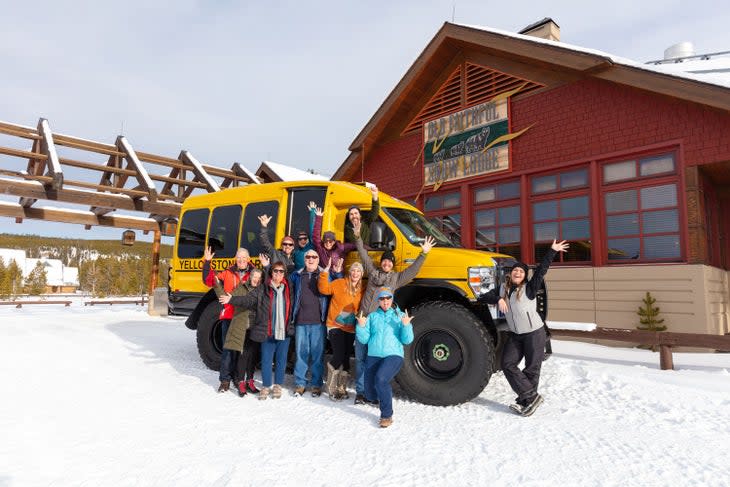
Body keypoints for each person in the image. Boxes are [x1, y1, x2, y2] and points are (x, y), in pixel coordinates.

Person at [478, 239, 569, 417]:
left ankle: (526, 402)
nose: (518, 272)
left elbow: (542, 270)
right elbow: (483, 297)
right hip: (515, 334)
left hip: (534, 333)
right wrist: (498, 299)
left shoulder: (530, 288)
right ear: (511, 274)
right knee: (507, 364)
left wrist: (552, 251)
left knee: (531, 368)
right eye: (515, 270)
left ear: (524, 275)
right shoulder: (502, 289)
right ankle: (531, 396)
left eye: (521, 271)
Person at [351, 219, 434, 404]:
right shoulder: (372, 273)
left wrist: (423, 254)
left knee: (373, 362)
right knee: (360, 360)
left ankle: (372, 393)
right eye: (385, 261)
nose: (387, 263)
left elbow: (412, 271)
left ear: (393, 264)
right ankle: (361, 392)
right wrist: (357, 236)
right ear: (381, 263)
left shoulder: (396, 278)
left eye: (390, 261)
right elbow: (363, 254)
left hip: (380, 324)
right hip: (365, 321)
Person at [220, 260, 294, 400]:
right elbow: (248, 300)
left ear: (284, 274)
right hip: (267, 331)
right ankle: (266, 386)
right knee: (266, 360)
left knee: (281, 360)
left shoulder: (289, 287)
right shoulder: (263, 289)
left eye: (281, 271)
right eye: (275, 271)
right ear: (271, 273)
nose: (278, 274)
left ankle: (277, 385)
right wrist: (232, 299)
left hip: (284, 330)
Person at [356, 287, 414, 428]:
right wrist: (361, 326)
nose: (385, 301)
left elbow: (407, 340)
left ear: (391, 299)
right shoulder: (372, 317)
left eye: (388, 298)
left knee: (381, 379)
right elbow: (364, 340)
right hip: (374, 355)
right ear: (378, 301)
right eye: (382, 299)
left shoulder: (399, 316)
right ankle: (380, 397)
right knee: (369, 393)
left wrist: (406, 326)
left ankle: (386, 415)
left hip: (393, 355)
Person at [202, 246, 254, 393]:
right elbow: (210, 280)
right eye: (239, 258)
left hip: (245, 317)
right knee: (228, 349)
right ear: (235, 259)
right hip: (229, 316)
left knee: (241, 351)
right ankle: (225, 380)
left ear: (248, 259)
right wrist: (207, 262)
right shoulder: (228, 272)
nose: (241, 260)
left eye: (244, 258)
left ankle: (238, 379)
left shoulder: (254, 274)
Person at [318, 257, 364, 400]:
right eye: (353, 270)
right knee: (337, 355)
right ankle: (331, 387)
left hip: (350, 328)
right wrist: (325, 273)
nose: (355, 273)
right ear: (349, 273)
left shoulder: (363, 289)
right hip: (335, 326)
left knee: (345, 358)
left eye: (358, 271)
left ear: (361, 274)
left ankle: (341, 387)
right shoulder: (339, 283)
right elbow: (324, 289)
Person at [216, 267, 264, 397]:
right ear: (250, 277)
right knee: (243, 355)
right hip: (243, 327)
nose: (256, 280)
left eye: (259, 278)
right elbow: (229, 297)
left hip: (256, 328)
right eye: (254, 277)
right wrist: (217, 284)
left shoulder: (262, 291)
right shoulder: (242, 288)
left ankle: (250, 380)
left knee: (252, 355)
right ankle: (240, 381)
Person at [289, 249, 329, 397]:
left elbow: (334, 286)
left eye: (314, 257)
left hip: (319, 322)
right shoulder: (297, 275)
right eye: (308, 257)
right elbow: (280, 279)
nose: (311, 259)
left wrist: (336, 272)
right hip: (301, 321)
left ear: (318, 260)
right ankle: (300, 383)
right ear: (304, 259)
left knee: (317, 355)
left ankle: (316, 384)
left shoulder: (324, 274)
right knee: (301, 354)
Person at [291, 202, 317, 271]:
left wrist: (312, 212)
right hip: (299, 279)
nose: (303, 240)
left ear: (308, 239)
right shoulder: (295, 252)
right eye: (300, 239)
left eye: (305, 238)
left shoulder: (311, 248)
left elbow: (312, 230)